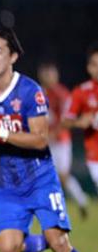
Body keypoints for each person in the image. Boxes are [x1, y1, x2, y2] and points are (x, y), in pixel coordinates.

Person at [0, 27, 95, 252]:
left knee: (61, 242)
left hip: (39, 179)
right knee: (8, 247)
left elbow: (40, 139)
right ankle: (49, 240)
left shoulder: (30, 91)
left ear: (13, 56)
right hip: (8, 184)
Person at [37, 61, 89, 219]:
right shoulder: (38, 93)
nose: (48, 77)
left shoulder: (62, 94)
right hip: (44, 141)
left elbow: (67, 120)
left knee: (63, 176)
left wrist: (54, 133)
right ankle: (43, 210)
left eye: (51, 73)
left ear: (56, 75)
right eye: (45, 74)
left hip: (61, 141)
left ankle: (81, 200)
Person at [64, 42, 98, 193]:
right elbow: (65, 121)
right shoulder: (81, 92)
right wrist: (80, 121)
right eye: (96, 65)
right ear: (89, 68)